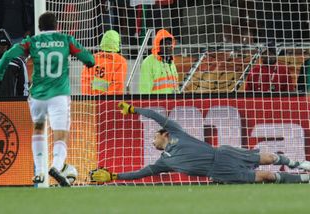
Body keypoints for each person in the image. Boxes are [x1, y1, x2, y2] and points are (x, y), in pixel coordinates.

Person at [90, 102, 310, 184]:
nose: (152, 140)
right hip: (219, 172)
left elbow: (155, 116)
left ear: (164, 134)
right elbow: (140, 173)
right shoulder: (163, 163)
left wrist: (134, 110)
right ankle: (304, 179)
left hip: (223, 153)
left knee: (269, 157)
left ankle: (298, 164)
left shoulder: (175, 130)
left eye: (154, 136)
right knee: (266, 176)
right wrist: (114, 176)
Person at [0, 12, 95, 187]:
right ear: (57, 26)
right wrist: (89, 61)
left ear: (39, 28)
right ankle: (56, 166)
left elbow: (8, 55)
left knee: (38, 129)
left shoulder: (32, 42)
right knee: (60, 133)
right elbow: (89, 59)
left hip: (38, 95)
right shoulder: (66, 40)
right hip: (59, 94)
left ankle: (39, 171)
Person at [81, 30, 127, 95]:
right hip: (110, 101)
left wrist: (88, 98)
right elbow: (118, 84)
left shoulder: (92, 58)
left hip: (92, 100)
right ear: (117, 43)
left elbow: (85, 80)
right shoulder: (120, 61)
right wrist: (107, 99)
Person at [0, 29, 29, 97]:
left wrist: (24, 101)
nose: (2, 48)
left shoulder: (18, 63)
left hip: (12, 104)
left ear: (8, 46)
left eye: (5, 45)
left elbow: (24, 85)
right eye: (0, 45)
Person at [139, 29, 179, 94]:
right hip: (156, 102)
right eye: (165, 44)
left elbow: (176, 87)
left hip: (172, 102)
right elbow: (145, 89)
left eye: (170, 44)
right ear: (158, 45)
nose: (168, 47)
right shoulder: (148, 62)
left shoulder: (171, 62)